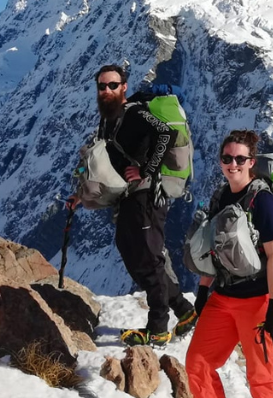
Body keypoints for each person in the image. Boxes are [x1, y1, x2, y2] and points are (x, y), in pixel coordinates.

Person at [68, 64, 196, 346]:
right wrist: (80, 193)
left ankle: (158, 328)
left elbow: (166, 135)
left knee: (149, 258)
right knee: (132, 253)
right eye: (102, 86)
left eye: (112, 85)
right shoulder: (108, 119)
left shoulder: (134, 113)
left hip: (148, 194)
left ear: (123, 87)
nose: (106, 90)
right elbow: (96, 156)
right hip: (130, 196)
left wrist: (146, 171)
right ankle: (184, 310)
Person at [186, 130, 273, 398]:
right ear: (220, 161)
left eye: (240, 159)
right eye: (227, 158)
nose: (233, 164)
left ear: (251, 162)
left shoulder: (263, 201)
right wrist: (203, 290)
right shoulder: (220, 197)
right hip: (223, 296)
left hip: (258, 299)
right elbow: (213, 246)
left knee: (262, 376)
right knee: (198, 363)